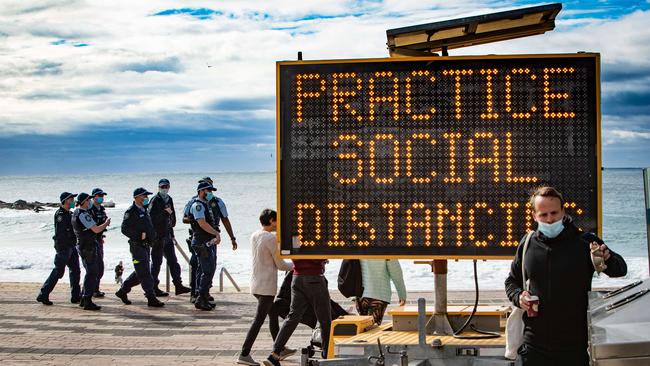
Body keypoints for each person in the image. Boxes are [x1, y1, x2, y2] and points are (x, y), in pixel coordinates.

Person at [505, 186, 627, 366]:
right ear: (534, 216)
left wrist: (607, 258)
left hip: (574, 347)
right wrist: (518, 297)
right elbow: (512, 281)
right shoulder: (527, 243)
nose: (549, 219)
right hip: (533, 345)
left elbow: (620, 269)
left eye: (554, 213)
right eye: (543, 215)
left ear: (563, 211)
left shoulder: (585, 242)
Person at [237, 209, 294, 366]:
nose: (279, 224)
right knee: (258, 321)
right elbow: (281, 265)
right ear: (270, 220)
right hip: (266, 287)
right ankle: (244, 353)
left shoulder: (255, 235)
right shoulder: (270, 238)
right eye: (277, 220)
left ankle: (280, 349)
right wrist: (297, 265)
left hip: (255, 284)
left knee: (273, 313)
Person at [263, 259, 331, 366]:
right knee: (325, 319)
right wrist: (323, 259)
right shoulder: (312, 241)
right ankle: (327, 355)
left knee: (292, 317)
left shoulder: (293, 241)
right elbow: (317, 255)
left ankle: (274, 355)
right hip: (315, 278)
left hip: (296, 278)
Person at [114, 187, 164, 308]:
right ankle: (151, 297)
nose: (146, 198)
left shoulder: (144, 210)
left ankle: (123, 290)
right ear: (136, 197)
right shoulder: (131, 212)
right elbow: (124, 229)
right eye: (144, 196)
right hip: (137, 247)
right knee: (146, 273)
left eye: (146, 196)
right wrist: (138, 236)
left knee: (140, 272)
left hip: (146, 246)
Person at [37, 192, 81, 305]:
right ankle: (43, 294)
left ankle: (76, 296)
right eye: (71, 199)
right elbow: (60, 234)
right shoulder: (60, 214)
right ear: (66, 200)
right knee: (58, 271)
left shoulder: (69, 213)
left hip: (71, 246)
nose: (73, 201)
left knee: (76, 271)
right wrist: (64, 247)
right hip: (64, 247)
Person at [148, 178, 190, 296]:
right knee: (157, 263)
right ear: (158, 187)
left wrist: (172, 228)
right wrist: (164, 213)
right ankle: (153, 287)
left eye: (166, 187)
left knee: (173, 261)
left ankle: (178, 285)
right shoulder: (155, 200)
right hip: (158, 237)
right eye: (162, 187)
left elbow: (172, 214)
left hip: (167, 235)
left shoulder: (169, 199)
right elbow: (151, 218)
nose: (164, 189)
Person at [71, 192, 111, 310]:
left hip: (84, 245)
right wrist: (106, 224)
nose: (90, 202)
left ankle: (84, 298)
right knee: (92, 273)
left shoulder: (76, 213)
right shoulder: (83, 214)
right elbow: (96, 229)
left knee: (92, 271)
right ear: (83, 202)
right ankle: (87, 298)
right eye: (88, 201)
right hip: (87, 246)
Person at [188, 181, 222, 310]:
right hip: (201, 242)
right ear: (201, 191)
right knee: (206, 270)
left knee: (208, 269)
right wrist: (216, 233)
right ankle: (200, 298)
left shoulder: (205, 204)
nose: (210, 194)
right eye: (208, 191)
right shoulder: (198, 205)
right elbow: (202, 223)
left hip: (206, 242)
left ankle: (202, 296)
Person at [357, 260, 407, 325]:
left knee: (362, 327)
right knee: (372, 329)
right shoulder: (387, 249)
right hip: (378, 295)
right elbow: (396, 273)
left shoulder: (359, 249)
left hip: (359, 293)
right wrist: (402, 295)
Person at [88, 188, 108, 298]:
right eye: (99, 195)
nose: (101, 197)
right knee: (95, 268)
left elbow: (102, 224)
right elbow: (92, 227)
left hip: (99, 239)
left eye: (102, 195)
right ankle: (90, 290)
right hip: (91, 241)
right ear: (94, 197)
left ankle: (95, 289)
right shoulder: (90, 210)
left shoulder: (101, 209)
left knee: (100, 267)